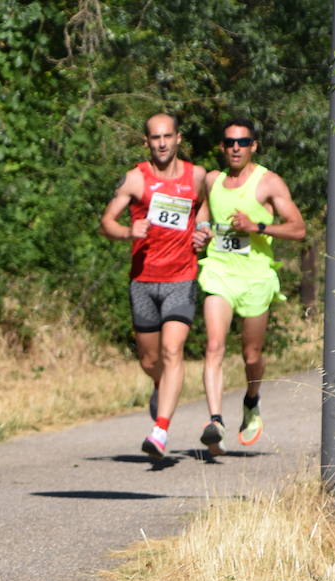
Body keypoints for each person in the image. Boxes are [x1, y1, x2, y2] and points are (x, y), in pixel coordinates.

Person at [99, 113, 211, 461]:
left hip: (181, 276)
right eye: (154, 138)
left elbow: (204, 206)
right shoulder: (136, 179)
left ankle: (160, 429)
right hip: (144, 280)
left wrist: (203, 232)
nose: (162, 143)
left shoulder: (197, 176)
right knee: (150, 360)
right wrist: (127, 232)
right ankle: (161, 385)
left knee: (172, 351)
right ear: (146, 141)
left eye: (167, 136)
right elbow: (106, 222)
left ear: (178, 138)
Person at [195, 118, 305, 454]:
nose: (235, 148)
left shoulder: (268, 183)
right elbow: (203, 213)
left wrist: (255, 225)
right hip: (219, 271)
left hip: (256, 276)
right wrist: (201, 232)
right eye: (229, 142)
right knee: (214, 346)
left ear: (254, 145)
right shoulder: (212, 180)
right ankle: (215, 422)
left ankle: (252, 400)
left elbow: (298, 229)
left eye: (242, 142)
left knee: (251, 354)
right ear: (222, 147)